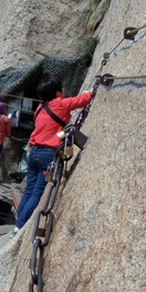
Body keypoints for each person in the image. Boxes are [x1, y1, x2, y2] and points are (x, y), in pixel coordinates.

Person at [13, 77, 92, 236]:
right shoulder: (60, 104)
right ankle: (20, 227)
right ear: (57, 93)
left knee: (29, 190)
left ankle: (17, 223)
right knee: (37, 193)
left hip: (34, 152)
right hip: (47, 155)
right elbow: (84, 100)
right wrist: (88, 92)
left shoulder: (40, 108)